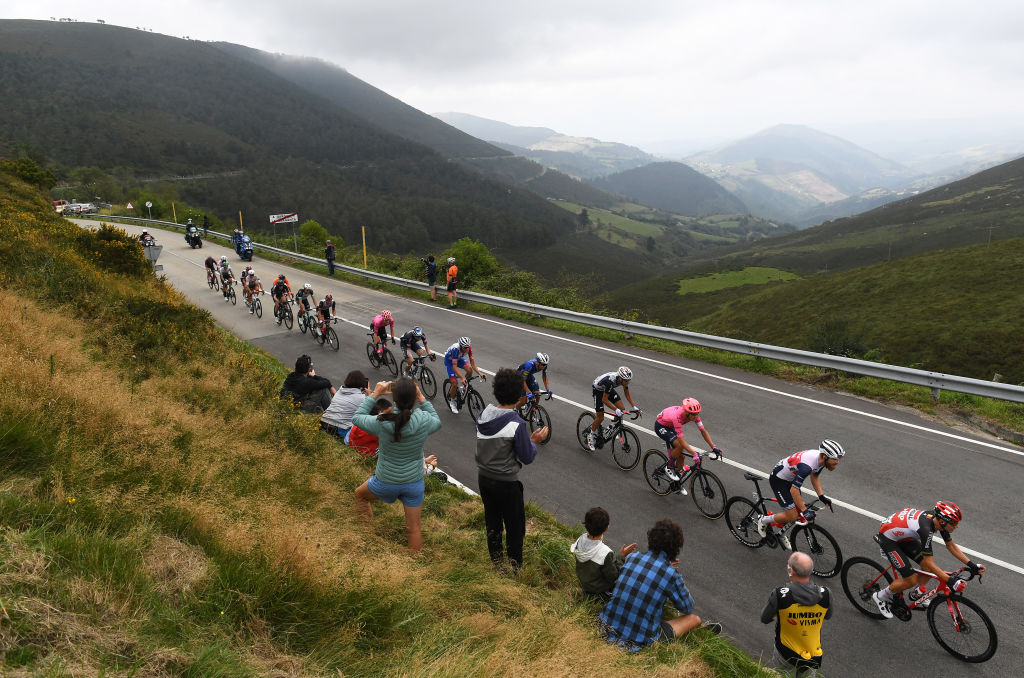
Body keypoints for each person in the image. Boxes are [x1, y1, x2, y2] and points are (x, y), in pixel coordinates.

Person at [598, 518, 721, 652]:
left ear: (651, 539)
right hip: (637, 642)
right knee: (694, 619)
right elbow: (687, 607)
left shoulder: (632, 558)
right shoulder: (671, 575)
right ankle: (699, 631)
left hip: (605, 627)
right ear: (676, 548)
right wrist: (672, 573)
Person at [353, 377, 442, 554]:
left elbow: (357, 418)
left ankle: (366, 538)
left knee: (360, 496)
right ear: (414, 397)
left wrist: (375, 394)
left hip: (385, 480)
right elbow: (437, 421)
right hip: (414, 482)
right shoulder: (423, 420)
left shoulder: (382, 422)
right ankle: (412, 565)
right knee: (414, 529)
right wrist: (421, 397)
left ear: (394, 399)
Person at [475, 367, 548, 571]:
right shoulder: (516, 424)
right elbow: (527, 457)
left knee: (493, 520)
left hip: (484, 478)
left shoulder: (483, 416)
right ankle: (516, 567)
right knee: (515, 526)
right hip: (506, 483)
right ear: (519, 396)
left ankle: (497, 563)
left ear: (496, 391)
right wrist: (533, 441)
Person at [871, 502, 985, 619]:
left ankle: (917, 593)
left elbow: (951, 545)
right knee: (911, 579)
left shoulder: (938, 521)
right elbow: (929, 563)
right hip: (889, 539)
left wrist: (972, 565)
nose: (957, 526)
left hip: (903, 536)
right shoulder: (926, 529)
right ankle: (880, 596)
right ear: (942, 521)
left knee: (928, 568)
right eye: (954, 523)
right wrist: (949, 581)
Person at [756, 440, 845, 550]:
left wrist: (821, 496)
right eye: (835, 459)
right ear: (825, 456)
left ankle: (782, 534)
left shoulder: (821, 460)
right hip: (779, 480)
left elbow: (814, 476)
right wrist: (805, 511)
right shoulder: (807, 466)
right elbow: (794, 490)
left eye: (838, 459)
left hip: (789, 479)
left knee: (798, 510)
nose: (837, 462)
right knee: (793, 515)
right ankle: (763, 520)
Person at [761, 552, 832, 677]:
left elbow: (765, 618)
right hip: (812, 653)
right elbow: (827, 615)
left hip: (785, 653)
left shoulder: (779, 595)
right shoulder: (826, 594)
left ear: (791, 571)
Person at [571, 506, 637, 601]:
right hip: (598, 589)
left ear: (585, 526)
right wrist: (621, 556)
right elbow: (613, 576)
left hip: (583, 582)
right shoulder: (605, 552)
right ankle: (600, 597)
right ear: (607, 528)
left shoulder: (579, 541)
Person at [654, 398, 722, 484]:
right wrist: (694, 454)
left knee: (682, 457)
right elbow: (681, 441)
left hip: (671, 426)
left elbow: (703, 431)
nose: (696, 416)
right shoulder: (677, 417)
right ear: (686, 413)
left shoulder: (694, 415)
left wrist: (713, 447)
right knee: (680, 445)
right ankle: (669, 467)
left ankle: (677, 482)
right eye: (693, 414)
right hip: (661, 426)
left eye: (697, 414)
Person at [585, 367, 640, 451]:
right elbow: (604, 400)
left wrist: (634, 406)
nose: (628, 382)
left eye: (629, 380)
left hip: (607, 389)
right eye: (626, 381)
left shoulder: (623, 380)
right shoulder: (610, 382)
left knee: (621, 408)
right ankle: (590, 436)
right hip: (598, 390)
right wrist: (615, 410)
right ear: (620, 378)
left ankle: (611, 427)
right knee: (600, 417)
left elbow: (627, 394)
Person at [320, 370, 370, 440]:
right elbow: (372, 413)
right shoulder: (361, 398)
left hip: (323, 423)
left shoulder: (339, 392)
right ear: (362, 383)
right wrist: (370, 395)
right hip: (338, 429)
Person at [443, 336, 487, 414]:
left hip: (459, 359)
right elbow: (454, 367)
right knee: (454, 383)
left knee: (469, 370)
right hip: (450, 361)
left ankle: (464, 387)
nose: (467, 349)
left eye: (467, 347)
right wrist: (462, 378)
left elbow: (472, 363)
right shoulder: (455, 349)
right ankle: (452, 402)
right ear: (460, 346)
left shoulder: (469, 348)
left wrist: (480, 373)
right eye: (465, 347)